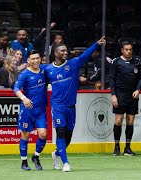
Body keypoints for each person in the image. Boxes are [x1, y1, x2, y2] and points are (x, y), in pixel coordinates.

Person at [45, 36, 106, 172]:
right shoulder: (48, 69)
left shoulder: (73, 64)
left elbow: (85, 55)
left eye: (66, 51)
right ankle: (65, 163)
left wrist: (96, 44)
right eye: (62, 51)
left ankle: (56, 153)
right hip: (57, 106)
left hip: (71, 106)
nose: (65, 53)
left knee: (68, 136)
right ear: (55, 53)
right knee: (60, 133)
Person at [13, 49, 49, 171]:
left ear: (40, 59)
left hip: (41, 110)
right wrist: (24, 98)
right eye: (33, 59)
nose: (35, 61)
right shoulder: (25, 74)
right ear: (28, 61)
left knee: (43, 134)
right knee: (25, 135)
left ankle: (36, 157)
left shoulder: (44, 70)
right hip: (27, 109)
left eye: (37, 58)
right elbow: (16, 88)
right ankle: (24, 162)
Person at [109, 41, 141, 156]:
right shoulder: (116, 62)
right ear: (122, 50)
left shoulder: (137, 62)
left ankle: (127, 148)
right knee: (118, 120)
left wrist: (138, 90)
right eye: (127, 49)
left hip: (133, 95)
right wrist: (113, 95)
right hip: (120, 95)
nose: (129, 51)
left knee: (130, 120)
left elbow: (140, 77)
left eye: (130, 49)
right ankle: (116, 147)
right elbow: (112, 79)